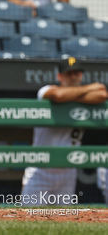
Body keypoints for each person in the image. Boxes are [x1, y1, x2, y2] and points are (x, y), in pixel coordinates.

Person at [22, 57, 108, 205]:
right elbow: (58, 95)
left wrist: (74, 96)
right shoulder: (46, 90)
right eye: (69, 73)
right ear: (59, 76)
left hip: (68, 170)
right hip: (41, 169)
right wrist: (89, 88)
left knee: (63, 219)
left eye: (77, 73)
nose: (74, 76)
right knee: (28, 216)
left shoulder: (84, 94)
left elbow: (102, 95)